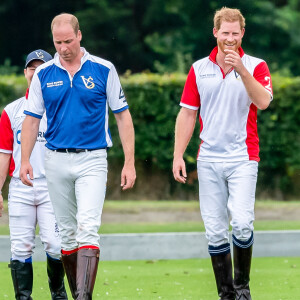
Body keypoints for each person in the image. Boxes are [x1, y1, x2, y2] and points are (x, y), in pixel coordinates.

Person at [20, 13, 136, 299]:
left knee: (88, 228)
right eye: (58, 42)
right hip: (55, 160)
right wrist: (24, 161)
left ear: (79, 36)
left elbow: (122, 116)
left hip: (92, 159)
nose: (63, 47)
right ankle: (78, 295)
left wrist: (129, 162)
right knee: (67, 235)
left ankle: (83, 297)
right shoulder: (44, 74)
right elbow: (32, 119)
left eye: (68, 41)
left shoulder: (103, 69)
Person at [173, 7, 273, 300]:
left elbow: (264, 102)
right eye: (224, 33)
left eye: (235, 33)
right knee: (215, 231)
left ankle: (242, 290)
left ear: (242, 34)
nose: (230, 39)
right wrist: (178, 155)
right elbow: (188, 114)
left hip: (243, 157)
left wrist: (241, 70)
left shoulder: (256, 65)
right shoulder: (198, 68)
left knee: (242, 223)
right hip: (208, 160)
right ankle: (226, 294)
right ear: (215, 32)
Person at [0, 50, 67, 299]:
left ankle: (58, 293)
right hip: (20, 187)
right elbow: (4, 154)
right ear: (25, 72)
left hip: (53, 188)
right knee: (20, 248)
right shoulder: (11, 111)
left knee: (56, 245)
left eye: (42, 67)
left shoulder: (61, 107)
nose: (36, 72)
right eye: (32, 68)